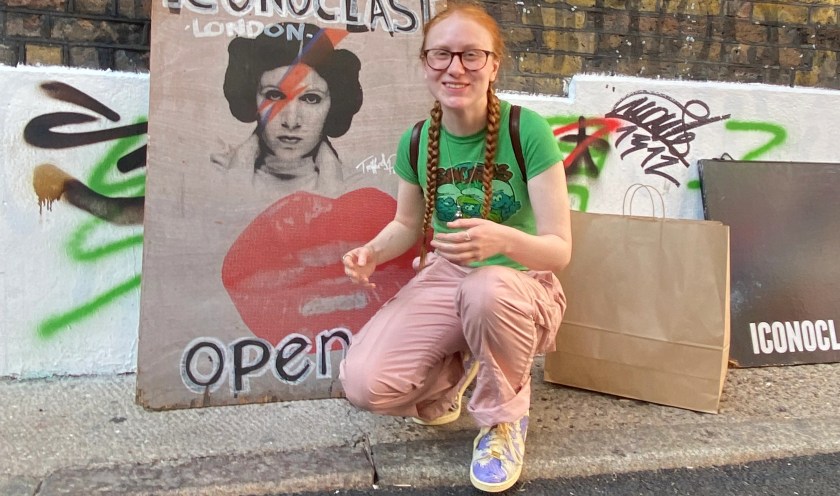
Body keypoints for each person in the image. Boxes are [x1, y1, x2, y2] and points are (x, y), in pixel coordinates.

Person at [339, 3, 571, 493]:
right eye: (441, 55)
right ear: (425, 63)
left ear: (493, 64)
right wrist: (373, 253)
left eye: (471, 54)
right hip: (449, 278)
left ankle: (503, 422)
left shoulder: (526, 131)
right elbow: (406, 224)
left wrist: (501, 238)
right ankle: (455, 376)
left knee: (487, 289)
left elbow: (558, 251)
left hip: (521, 285)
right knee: (364, 384)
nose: (455, 68)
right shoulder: (418, 139)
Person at [214, 24, 363, 195]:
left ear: (333, 105)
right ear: (251, 98)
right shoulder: (213, 176)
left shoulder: (355, 186)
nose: (291, 122)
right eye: (274, 95)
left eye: (311, 98)